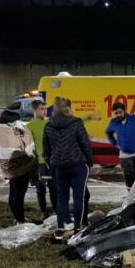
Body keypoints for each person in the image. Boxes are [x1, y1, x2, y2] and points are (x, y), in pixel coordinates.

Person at [44, 97, 93, 238]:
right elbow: (85, 144)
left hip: (59, 167)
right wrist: (89, 161)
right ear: (68, 108)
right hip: (77, 165)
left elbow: (46, 149)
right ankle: (79, 227)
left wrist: (51, 164)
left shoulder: (48, 125)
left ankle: (61, 227)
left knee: (62, 197)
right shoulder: (76, 123)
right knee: (79, 197)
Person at [0, 110, 36, 223]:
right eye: (16, 120)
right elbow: (16, 147)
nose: (18, 122)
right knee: (18, 193)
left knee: (14, 191)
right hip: (18, 165)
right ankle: (20, 218)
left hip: (9, 165)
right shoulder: (7, 130)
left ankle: (17, 216)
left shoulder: (2, 128)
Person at [105, 102, 135, 189]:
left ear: (125, 111)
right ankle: (132, 199)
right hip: (124, 157)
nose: (118, 115)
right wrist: (114, 143)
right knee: (129, 180)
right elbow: (108, 132)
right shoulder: (113, 123)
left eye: (120, 112)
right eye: (116, 113)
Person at [26, 99, 56, 218]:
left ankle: (56, 210)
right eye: (41, 109)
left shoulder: (50, 122)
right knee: (41, 188)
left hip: (52, 161)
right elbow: (28, 146)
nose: (44, 111)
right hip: (39, 162)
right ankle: (43, 211)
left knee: (54, 187)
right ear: (34, 110)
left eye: (45, 109)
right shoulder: (28, 126)